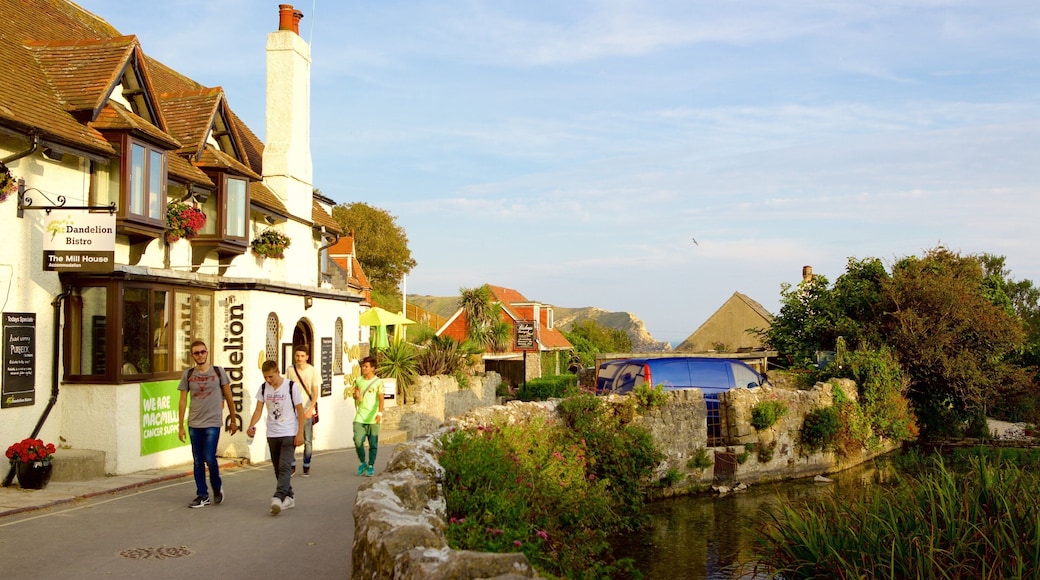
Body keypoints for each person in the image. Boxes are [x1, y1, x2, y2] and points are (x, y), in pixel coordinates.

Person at [177, 340, 237, 508]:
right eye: (196, 353)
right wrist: (180, 426)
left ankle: (217, 487)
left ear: (207, 352)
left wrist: (233, 420)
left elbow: (229, 396)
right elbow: (182, 401)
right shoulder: (188, 374)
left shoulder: (218, 372)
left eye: (203, 351)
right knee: (197, 460)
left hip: (212, 421)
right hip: (194, 422)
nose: (200, 355)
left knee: (209, 457)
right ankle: (202, 495)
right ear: (192, 356)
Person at [246, 360, 305, 515]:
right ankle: (289, 496)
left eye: (271, 376)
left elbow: (300, 411)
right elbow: (258, 410)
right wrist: (251, 426)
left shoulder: (291, 387)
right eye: (265, 377)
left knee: (285, 466)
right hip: (272, 433)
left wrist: (300, 433)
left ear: (278, 372)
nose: (268, 380)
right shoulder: (263, 388)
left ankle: (278, 497)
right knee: (277, 468)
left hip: (289, 432)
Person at [285, 345, 319, 477]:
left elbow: (315, 392)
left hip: (306, 409)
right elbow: (286, 388)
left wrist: (311, 408)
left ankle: (306, 465)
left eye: (302, 356)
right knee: (291, 438)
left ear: (307, 357)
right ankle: (292, 465)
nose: (300, 358)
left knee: (307, 439)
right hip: (292, 410)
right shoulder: (290, 370)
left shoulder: (312, 371)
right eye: (298, 356)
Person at [352, 356, 385, 477]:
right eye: (363, 366)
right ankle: (362, 462)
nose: (363, 368)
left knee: (373, 443)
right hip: (360, 416)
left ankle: (370, 465)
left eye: (366, 366)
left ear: (372, 368)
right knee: (357, 440)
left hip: (373, 417)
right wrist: (356, 396)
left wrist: (379, 413)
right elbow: (355, 394)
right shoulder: (358, 380)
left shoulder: (378, 382)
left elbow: (381, 399)